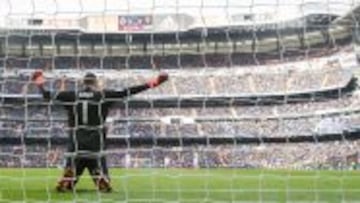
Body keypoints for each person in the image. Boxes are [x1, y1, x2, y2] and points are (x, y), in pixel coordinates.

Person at [32, 70, 169, 192]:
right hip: (96, 141)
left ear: (83, 83)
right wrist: (155, 82)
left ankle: (69, 176)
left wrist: (39, 81)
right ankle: (100, 175)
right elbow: (128, 91)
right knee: (98, 162)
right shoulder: (103, 95)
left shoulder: (71, 95)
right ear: (96, 83)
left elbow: (46, 94)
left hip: (76, 141)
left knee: (75, 163)